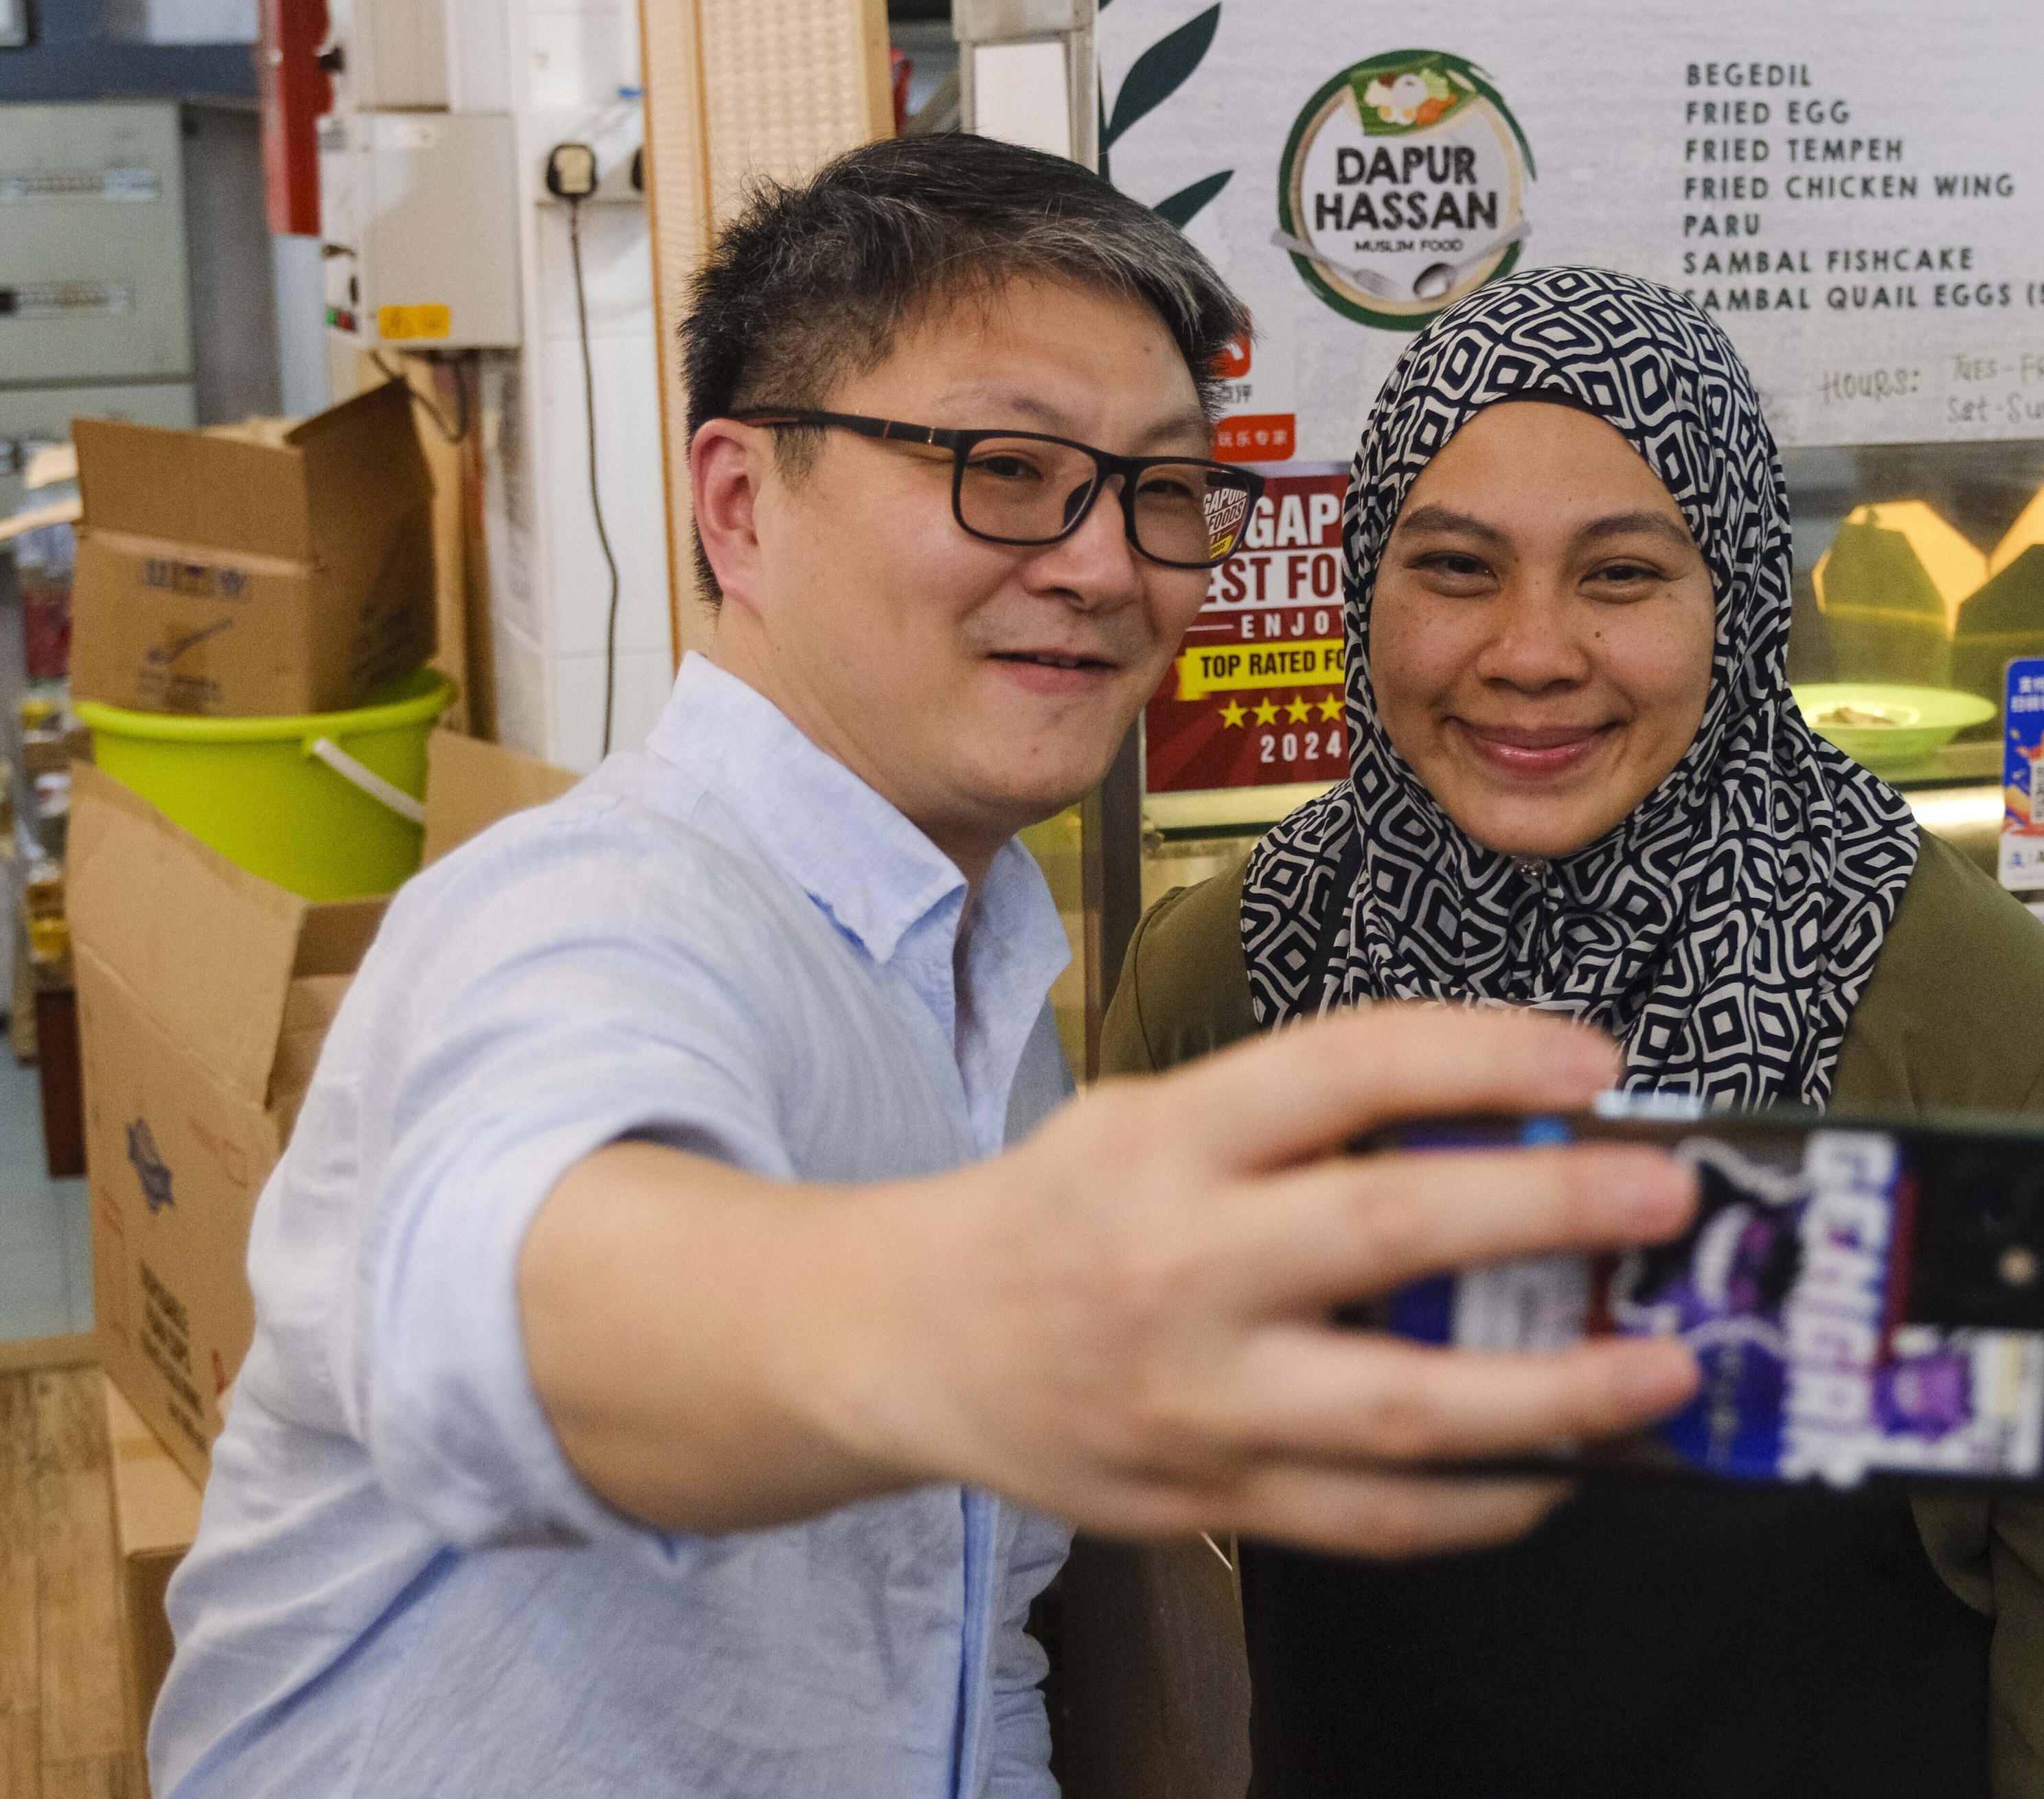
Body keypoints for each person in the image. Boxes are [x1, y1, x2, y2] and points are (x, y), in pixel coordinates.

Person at [147, 139, 1712, 1799]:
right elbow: (529, 1287)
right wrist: (952, 1313)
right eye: (1002, 466)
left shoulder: (977, 983)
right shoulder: (587, 913)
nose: (1102, 564)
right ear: (738, 506)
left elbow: (960, 1672)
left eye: (1161, 489)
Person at [1103, 267, 2044, 1798]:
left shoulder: (1957, 1044)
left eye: (1621, 574)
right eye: (1455, 568)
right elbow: (1145, 1511)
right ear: (1367, 586)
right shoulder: (1232, 992)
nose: (1532, 650)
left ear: (1738, 596)